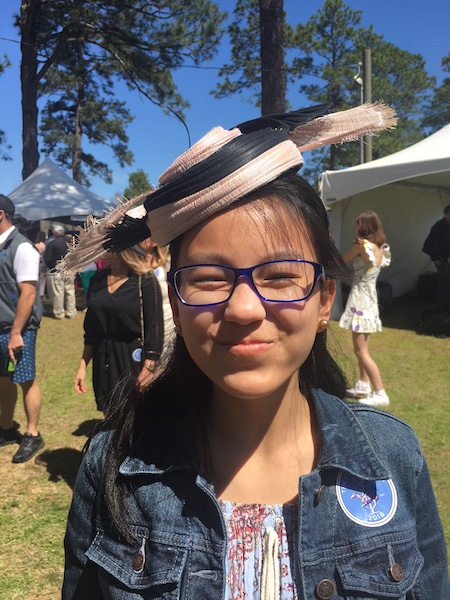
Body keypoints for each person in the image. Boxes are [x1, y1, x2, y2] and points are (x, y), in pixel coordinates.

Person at [62, 104, 448, 599]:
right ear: (176, 306)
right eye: (208, 279)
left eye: (280, 275)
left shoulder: (394, 459)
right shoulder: (112, 464)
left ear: (325, 299)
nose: (244, 308)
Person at [73, 245, 164, 414]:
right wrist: (82, 365)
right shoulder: (97, 280)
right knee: (109, 412)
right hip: (103, 356)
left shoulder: (144, 280)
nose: (102, 247)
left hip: (132, 357)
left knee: (133, 415)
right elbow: (91, 330)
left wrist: (149, 367)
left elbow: (155, 327)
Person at [0, 194, 45, 463]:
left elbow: (28, 294)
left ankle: (32, 434)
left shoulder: (22, 247)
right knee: (3, 379)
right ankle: (5, 428)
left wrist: (16, 332)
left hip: (18, 329)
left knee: (25, 378)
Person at [339, 211, 391, 406]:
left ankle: (380, 393)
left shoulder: (362, 246)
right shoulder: (381, 248)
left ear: (364, 227)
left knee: (361, 351)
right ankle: (363, 384)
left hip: (360, 301)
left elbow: (342, 260)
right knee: (361, 348)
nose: (354, 228)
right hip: (369, 301)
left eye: (357, 225)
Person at [44, 224, 77, 319]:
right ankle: (71, 311)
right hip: (69, 270)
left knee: (58, 293)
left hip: (57, 271)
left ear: (54, 233)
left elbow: (48, 259)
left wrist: (51, 267)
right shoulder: (70, 242)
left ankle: (59, 313)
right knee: (70, 291)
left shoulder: (52, 244)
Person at [422, 205, 450, 313]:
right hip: (442, 260)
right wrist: (435, 258)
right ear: (446, 214)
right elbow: (428, 245)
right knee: (443, 283)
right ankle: (441, 307)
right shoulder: (438, 226)